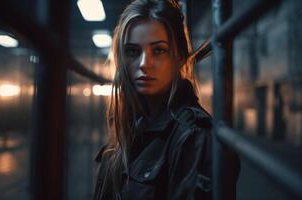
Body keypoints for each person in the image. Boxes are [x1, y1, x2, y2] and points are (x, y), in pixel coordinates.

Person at [93, 0, 238, 199]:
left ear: (179, 56)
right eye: (133, 51)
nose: (144, 64)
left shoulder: (194, 137)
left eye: (159, 50)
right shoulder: (136, 124)